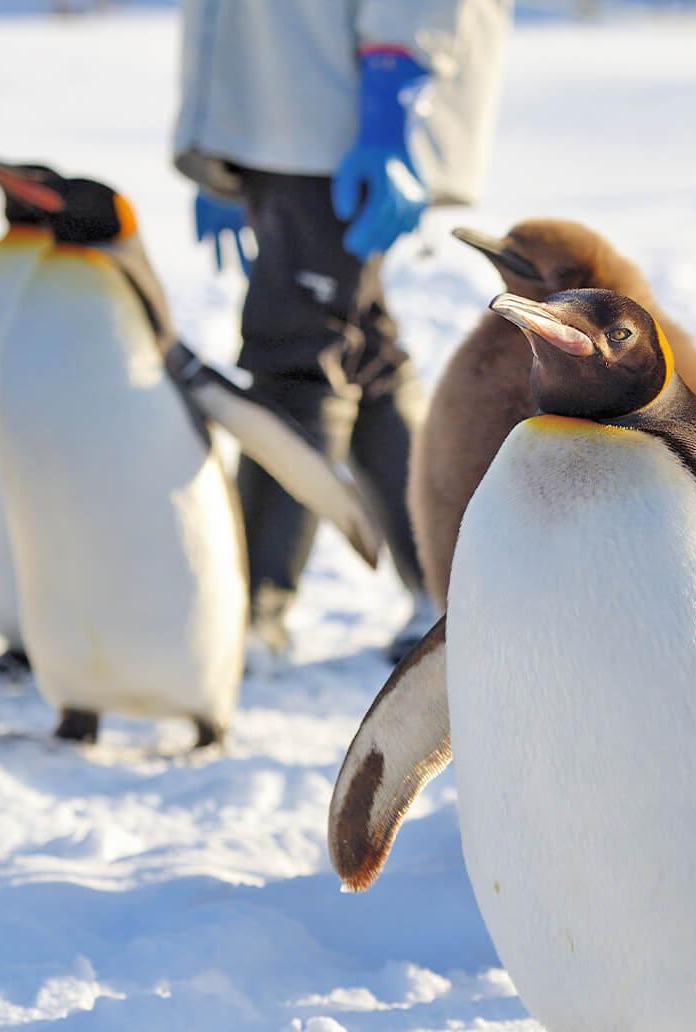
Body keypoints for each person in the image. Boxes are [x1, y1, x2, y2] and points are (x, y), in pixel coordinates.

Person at [173, 0, 511, 660]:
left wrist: (391, 98)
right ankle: (448, 587)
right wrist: (220, 132)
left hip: (340, 116)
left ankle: (251, 613)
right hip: (284, 119)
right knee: (358, 353)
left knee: (300, 352)